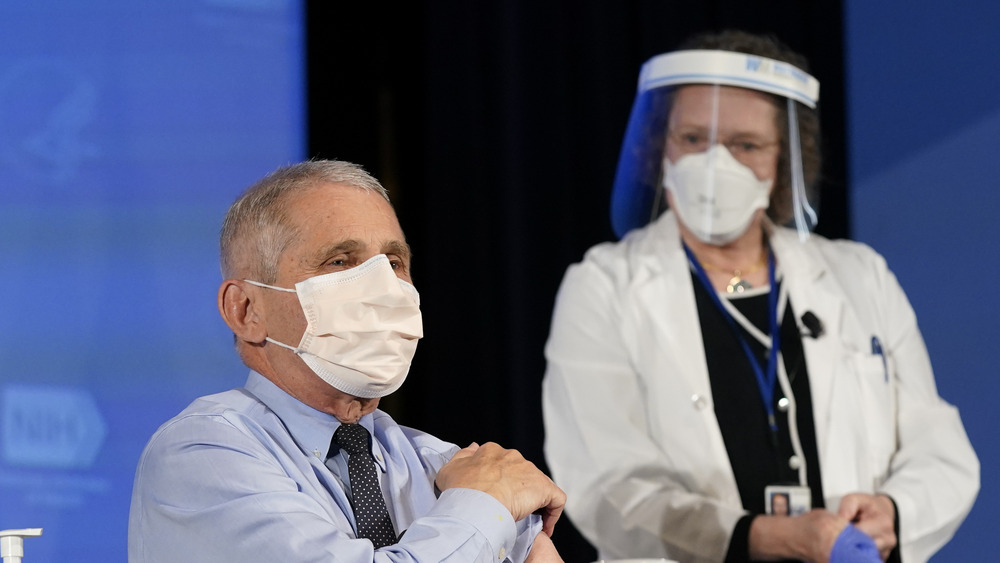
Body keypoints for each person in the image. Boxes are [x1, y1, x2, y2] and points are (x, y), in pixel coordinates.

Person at [541, 30, 978, 563]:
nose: (712, 164)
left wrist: (894, 512)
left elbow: (940, 449)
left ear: (785, 164)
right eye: (693, 138)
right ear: (660, 148)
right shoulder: (603, 287)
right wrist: (764, 537)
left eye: (745, 145)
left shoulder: (859, 276)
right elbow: (604, 482)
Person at [128, 160, 566, 563]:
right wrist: (484, 506)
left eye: (394, 262)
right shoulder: (200, 452)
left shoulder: (443, 462)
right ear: (246, 311)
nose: (383, 289)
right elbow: (487, 508)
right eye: (340, 261)